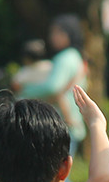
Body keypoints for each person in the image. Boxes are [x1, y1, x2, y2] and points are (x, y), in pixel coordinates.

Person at [19, 15, 88, 158]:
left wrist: (24, 90)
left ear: (69, 34)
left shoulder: (65, 58)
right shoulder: (76, 57)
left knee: (58, 176)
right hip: (70, 121)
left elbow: (53, 87)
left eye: (57, 32)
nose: (52, 37)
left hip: (62, 122)